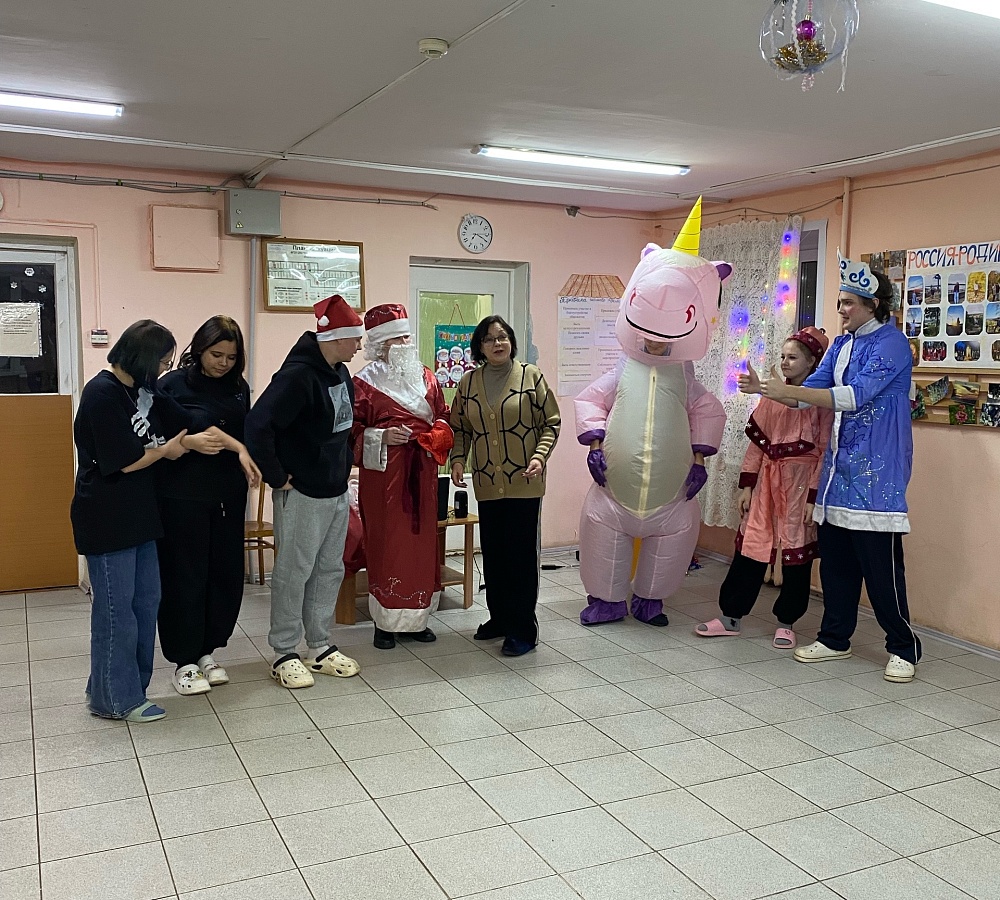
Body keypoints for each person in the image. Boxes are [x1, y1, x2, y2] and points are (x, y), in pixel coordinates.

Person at [739, 254, 919, 683]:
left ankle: (903, 647)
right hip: (838, 474)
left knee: (882, 572)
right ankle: (835, 638)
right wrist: (767, 389)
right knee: (837, 566)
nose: (841, 310)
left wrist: (789, 391)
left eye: (848, 303)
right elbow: (805, 395)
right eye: (839, 302)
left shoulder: (893, 343)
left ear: (873, 304)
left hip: (877, 475)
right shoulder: (840, 345)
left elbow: (852, 396)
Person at [575, 198, 729, 628]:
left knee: (673, 538)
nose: (658, 341)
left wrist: (699, 460)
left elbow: (707, 409)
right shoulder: (624, 369)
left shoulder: (684, 374)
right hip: (614, 491)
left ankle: (650, 600)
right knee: (602, 531)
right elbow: (590, 399)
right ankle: (607, 601)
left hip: (672, 495)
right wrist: (595, 445)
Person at [71, 320, 225, 722]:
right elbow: (123, 462)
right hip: (107, 518)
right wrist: (168, 451)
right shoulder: (102, 394)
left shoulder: (142, 389)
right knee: (117, 613)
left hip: (141, 514)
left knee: (145, 604)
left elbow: (185, 418)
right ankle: (114, 700)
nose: (164, 369)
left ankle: (118, 686)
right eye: (162, 362)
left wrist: (221, 434)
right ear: (142, 358)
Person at [244, 295, 364, 689]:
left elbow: (341, 428)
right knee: (294, 573)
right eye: (355, 338)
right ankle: (283, 651)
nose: (359, 345)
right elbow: (257, 425)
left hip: (335, 490)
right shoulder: (296, 377)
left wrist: (345, 467)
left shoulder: (340, 373)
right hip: (302, 493)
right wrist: (277, 476)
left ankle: (319, 645)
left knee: (329, 570)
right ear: (337, 338)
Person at [697, 328, 832, 649]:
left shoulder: (821, 402)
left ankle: (787, 622)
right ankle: (731, 616)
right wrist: (747, 485)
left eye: (793, 357)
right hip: (767, 484)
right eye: (783, 356)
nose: (785, 362)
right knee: (751, 546)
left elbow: (825, 453)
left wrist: (813, 497)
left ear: (811, 362)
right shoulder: (771, 398)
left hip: (800, 486)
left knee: (796, 555)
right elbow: (757, 446)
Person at [155, 316, 262, 695]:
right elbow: (155, 437)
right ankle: (183, 660)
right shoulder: (171, 385)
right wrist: (188, 443)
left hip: (227, 495)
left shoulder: (238, 388)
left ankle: (206, 652)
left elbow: (241, 432)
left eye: (231, 357)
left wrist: (245, 453)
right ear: (199, 349)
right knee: (185, 576)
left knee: (223, 574)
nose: (223, 363)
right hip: (182, 496)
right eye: (216, 355)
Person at [450, 316, 561, 657]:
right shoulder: (468, 383)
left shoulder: (531, 376)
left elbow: (551, 423)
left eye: (502, 337)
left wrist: (540, 456)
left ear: (511, 341)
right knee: (495, 555)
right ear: (479, 347)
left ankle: (523, 629)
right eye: (489, 339)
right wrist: (458, 459)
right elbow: (460, 428)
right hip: (487, 482)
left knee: (520, 558)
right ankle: (499, 618)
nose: (497, 344)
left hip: (524, 482)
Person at [351, 304, 453, 650]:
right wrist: (380, 436)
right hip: (384, 478)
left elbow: (443, 415)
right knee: (386, 543)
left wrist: (436, 434)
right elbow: (350, 431)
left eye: (407, 337)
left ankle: (417, 618)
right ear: (381, 344)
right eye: (397, 338)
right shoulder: (363, 383)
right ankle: (384, 622)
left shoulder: (428, 377)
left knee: (422, 544)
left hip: (422, 472)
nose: (405, 344)